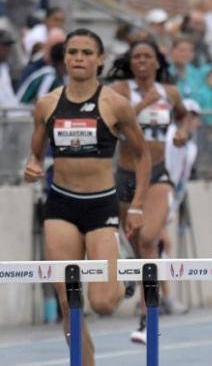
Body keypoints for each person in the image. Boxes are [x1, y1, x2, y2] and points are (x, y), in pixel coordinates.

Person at [23, 28, 150, 366]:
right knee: (69, 302)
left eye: (86, 53)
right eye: (73, 52)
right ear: (65, 58)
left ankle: (121, 273)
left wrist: (136, 204)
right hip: (61, 204)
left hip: (101, 206)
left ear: (100, 59)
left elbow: (142, 156)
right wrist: (32, 166)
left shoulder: (115, 104)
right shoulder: (47, 103)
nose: (79, 58)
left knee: (104, 303)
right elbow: (35, 154)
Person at [106, 39, 190, 343]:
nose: (142, 61)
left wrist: (182, 132)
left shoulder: (170, 93)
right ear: (130, 62)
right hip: (126, 175)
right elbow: (112, 125)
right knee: (134, 242)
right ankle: (138, 276)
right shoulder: (120, 91)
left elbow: (184, 116)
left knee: (148, 238)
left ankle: (147, 316)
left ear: (157, 61)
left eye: (147, 56)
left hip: (158, 173)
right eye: (136, 56)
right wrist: (143, 103)